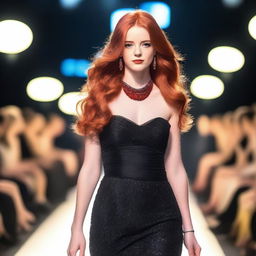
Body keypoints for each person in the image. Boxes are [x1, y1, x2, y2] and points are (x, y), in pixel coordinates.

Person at [67, 9, 201, 256]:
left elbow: (175, 168)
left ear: (155, 49)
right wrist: (77, 227)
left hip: (162, 218)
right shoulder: (100, 100)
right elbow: (90, 169)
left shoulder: (171, 100)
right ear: (119, 49)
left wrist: (188, 228)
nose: (137, 52)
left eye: (146, 44)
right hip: (111, 216)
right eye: (129, 45)